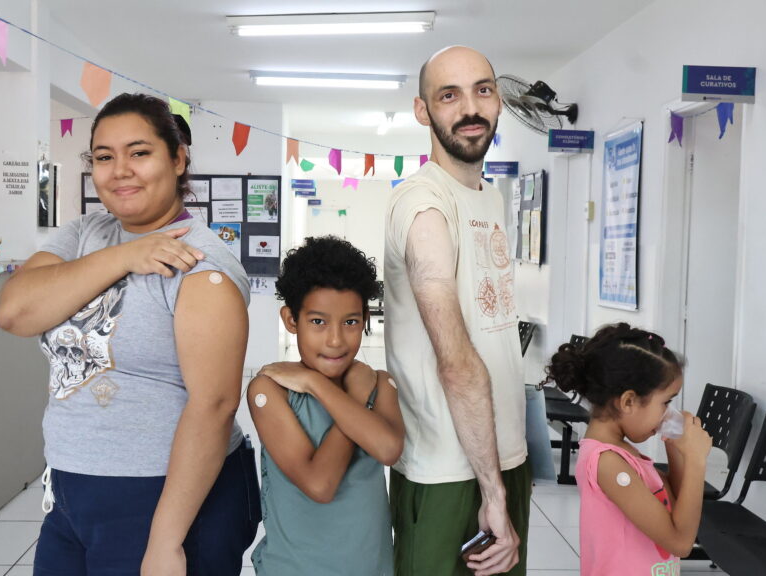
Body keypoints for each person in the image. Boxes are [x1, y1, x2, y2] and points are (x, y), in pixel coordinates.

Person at [0, 92, 259, 576]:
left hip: (164, 494)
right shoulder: (86, 232)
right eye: (103, 157)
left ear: (178, 159)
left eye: (139, 152)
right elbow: (15, 311)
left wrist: (166, 541)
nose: (120, 170)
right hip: (71, 486)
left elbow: (215, 405)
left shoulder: (201, 265)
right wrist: (125, 255)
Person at [383, 45, 530, 576]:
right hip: (447, 471)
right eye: (449, 95)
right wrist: (492, 492)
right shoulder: (424, 204)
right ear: (423, 111)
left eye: (482, 90)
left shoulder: (489, 196)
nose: (470, 108)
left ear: (498, 100)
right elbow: (456, 360)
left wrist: (503, 476)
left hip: (503, 456)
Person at [248, 236, 405, 576]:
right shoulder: (271, 390)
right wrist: (331, 389)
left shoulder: (380, 384)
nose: (335, 340)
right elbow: (320, 485)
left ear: (365, 318)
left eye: (350, 322)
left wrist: (336, 390)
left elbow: (389, 449)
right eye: (318, 322)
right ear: (291, 320)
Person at [541, 323, 713, 576]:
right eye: (665, 402)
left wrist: (676, 446)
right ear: (628, 401)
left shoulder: (623, 452)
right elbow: (681, 542)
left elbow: (675, 510)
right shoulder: (608, 463)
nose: (668, 413)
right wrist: (697, 461)